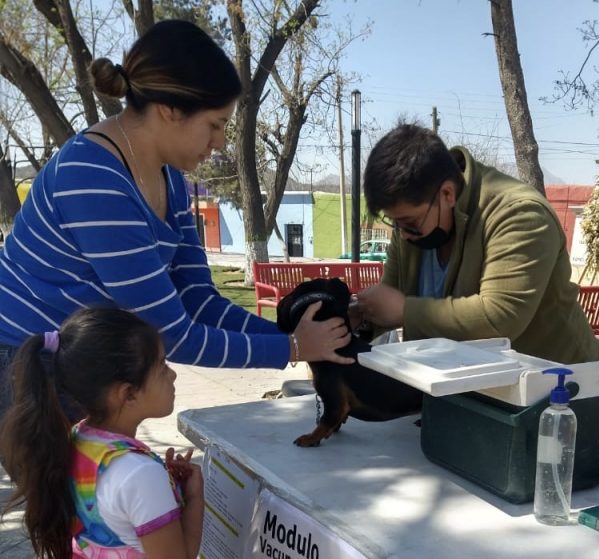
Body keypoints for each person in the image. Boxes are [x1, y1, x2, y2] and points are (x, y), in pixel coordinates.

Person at [0, 20, 352, 417]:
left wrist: (291, 335)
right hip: (23, 364)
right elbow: (169, 333)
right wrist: (292, 348)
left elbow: (197, 299)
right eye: (214, 125)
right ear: (169, 109)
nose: (219, 142)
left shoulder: (172, 181)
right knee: (66, 480)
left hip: (81, 362)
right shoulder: (92, 176)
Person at [355, 123, 599, 364]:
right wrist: (355, 316)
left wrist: (406, 312)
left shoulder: (519, 214)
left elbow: (500, 317)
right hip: (469, 379)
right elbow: (389, 301)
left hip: (557, 385)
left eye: (409, 222)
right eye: (394, 222)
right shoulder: (414, 223)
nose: (402, 234)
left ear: (447, 194)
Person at [0, 307, 202, 558]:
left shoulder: (78, 439)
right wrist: (193, 499)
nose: (172, 375)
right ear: (128, 394)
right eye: (161, 366)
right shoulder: (140, 473)